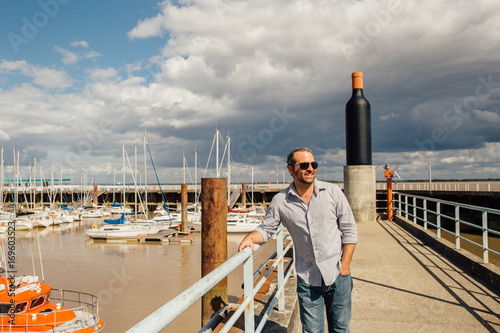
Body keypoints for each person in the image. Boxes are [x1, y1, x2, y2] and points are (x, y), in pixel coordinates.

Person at [238, 147, 358, 333]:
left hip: (337, 274)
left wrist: (345, 266)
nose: (310, 169)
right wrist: (250, 238)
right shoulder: (281, 201)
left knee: (341, 329)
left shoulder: (333, 192)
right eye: (304, 165)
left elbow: (349, 231)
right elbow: (267, 229)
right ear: (291, 169)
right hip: (308, 279)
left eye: (313, 164)